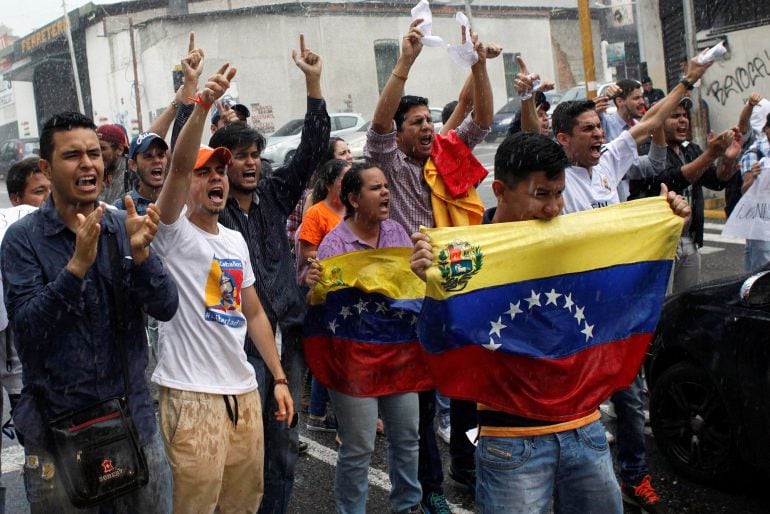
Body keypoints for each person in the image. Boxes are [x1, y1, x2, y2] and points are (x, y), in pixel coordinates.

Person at [409, 131, 691, 514]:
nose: (555, 207)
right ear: (501, 191)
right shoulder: (466, 259)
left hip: (586, 429)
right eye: (542, 194)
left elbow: (621, 293)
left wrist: (664, 222)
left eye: (559, 193)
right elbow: (437, 344)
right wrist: (431, 286)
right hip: (512, 440)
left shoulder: (573, 239)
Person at [1, 111, 178, 513]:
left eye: (94, 154)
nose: (87, 164)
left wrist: (144, 256)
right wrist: (77, 266)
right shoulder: (23, 240)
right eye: (72, 155)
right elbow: (27, 332)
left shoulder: (122, 225)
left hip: (134, 425)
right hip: (58, 435)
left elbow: (166, 307)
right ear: (47, 167)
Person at [152, 62, 294, 513]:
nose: (216, 177)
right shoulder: (171, 231)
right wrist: (201, 106)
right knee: (193, 506)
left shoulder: (233, 240)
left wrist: (279, 377)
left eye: (221, 171)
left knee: (242, 504)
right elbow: (176, 167)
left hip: (244, 393)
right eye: (205, 171)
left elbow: (252, 313)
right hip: (190, 395)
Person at [365, 19, 493, 511]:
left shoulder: (448, 156)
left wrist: (478, 64)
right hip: (407, 296)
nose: (427, 128)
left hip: (457, 290)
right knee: (419, 402)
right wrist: (405, 62)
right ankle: (431, 488)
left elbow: (480, 116)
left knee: (465, 387)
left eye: (429, 121)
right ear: (398, 134)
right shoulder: (389, 164)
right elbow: (377, 124)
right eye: (416, 122)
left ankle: (467, 466)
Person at [207, 35, 330, 514]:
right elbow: (179, 170)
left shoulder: (276, 195)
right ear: (220, 165)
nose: (252, 162)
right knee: (238, 450)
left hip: (284, 340)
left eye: (255, 154)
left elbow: (313, 148)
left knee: (282, 444)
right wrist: (195, 102)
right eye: (240, 156)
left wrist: (314, 84)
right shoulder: (209, 213)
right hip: (232, 347)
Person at [307, 162, 422, 514]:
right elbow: (319, 301)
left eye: (386, 186)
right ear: (355, 199)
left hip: (398, 354)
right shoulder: (335, 244)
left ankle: (407, 507)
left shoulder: (398, 236)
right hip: (353, 361)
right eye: (376, 188)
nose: (385, 192)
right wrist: (312, 282)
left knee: (407, 440)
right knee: (358, 448)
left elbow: (412, 288)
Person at [629, 98, 741, 292]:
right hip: (660, 244)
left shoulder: (690, 149)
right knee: (663, 306)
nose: (683, 120)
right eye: (674, 116)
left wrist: (728, 159)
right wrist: (710, 154)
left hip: (689, 239)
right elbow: (672, 180)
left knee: (687, 304)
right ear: (659, 122)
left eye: (684, 115)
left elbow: (716, 180)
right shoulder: (647, 151)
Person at [738, 111, 770, 271]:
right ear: (766, 129)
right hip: (761, 226)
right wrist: (754, 178)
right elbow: (745, 190)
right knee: (760, 276)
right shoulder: (755, 154)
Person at [114, 132, 169, 215]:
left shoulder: (180, 200)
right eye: (148, 156)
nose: (157, 161)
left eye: (161, 155)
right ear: (133, 165)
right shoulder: (121, 208)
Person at [96, 123, 130, 204]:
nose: (97, 154)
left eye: (102, 148)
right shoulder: (94, 170)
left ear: (120, 149)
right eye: (95, 148)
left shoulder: (132, 171)